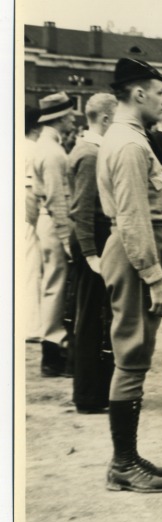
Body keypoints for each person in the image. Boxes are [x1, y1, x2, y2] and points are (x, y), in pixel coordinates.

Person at [97, 58, 162, 493]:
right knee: (131, 354)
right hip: (135, 255)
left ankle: (127, 455)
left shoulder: (131, 138)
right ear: (139, 93)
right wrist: (154, 277)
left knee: (136, 353)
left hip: (136, 252)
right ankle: (123, 463)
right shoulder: (129, 145)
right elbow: (133, 218)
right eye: (161, 92)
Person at [68, 93, 116, 413]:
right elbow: (82, 209)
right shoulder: (89, 154)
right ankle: (88, 394)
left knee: (95, 315)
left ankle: (95, 389)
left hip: (94, 239)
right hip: (92, 241)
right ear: (105, 120)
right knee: (90, 317)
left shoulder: (91, 150)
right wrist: (89, 253)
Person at [33, 91, 79, 377]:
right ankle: (53, 353)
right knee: (56, 286)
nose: (74, 118)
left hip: (45, 221)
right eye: (71, 114)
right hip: (54, 222)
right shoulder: (52, 152)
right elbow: (56, 199)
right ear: (60, 117)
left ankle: (54, 348)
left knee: (54, 284)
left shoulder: (47, 146)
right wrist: (65, 237)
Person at [24, 104, 44, 344]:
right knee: (31, 269)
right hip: (26, 215)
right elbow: (30, 191)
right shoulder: (33, 149)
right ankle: (31, 325)